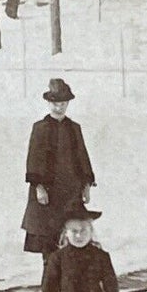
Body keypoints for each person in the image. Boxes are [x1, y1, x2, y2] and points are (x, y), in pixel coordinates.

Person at [22, 78, 95, 262]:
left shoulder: (74, 128)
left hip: (70, 193)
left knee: (71, 239)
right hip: (47, 196)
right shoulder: (40, 128)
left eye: (62, 104)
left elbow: (82, 157)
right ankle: (50, 286)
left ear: (68, 103)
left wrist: (86, 185)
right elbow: (33, 159)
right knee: (49, 242)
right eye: (55, 104)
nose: (58, 108)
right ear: (49, 103)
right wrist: (38, 187)